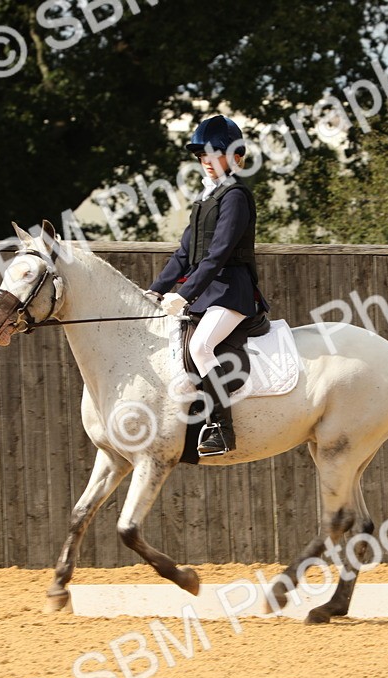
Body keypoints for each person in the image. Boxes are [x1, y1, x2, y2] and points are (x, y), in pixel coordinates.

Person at [146, 114, 269, 457]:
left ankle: (221, 428)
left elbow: (218, 255)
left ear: (236, 158)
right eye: (202, 156)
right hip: (209, 293)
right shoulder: (205, 199)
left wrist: (184, 294)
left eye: (214, 155)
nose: (207, 161)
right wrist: (156, 290)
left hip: (232, 292)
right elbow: (184, 253)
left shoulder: (236, 197)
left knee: (201, 346)